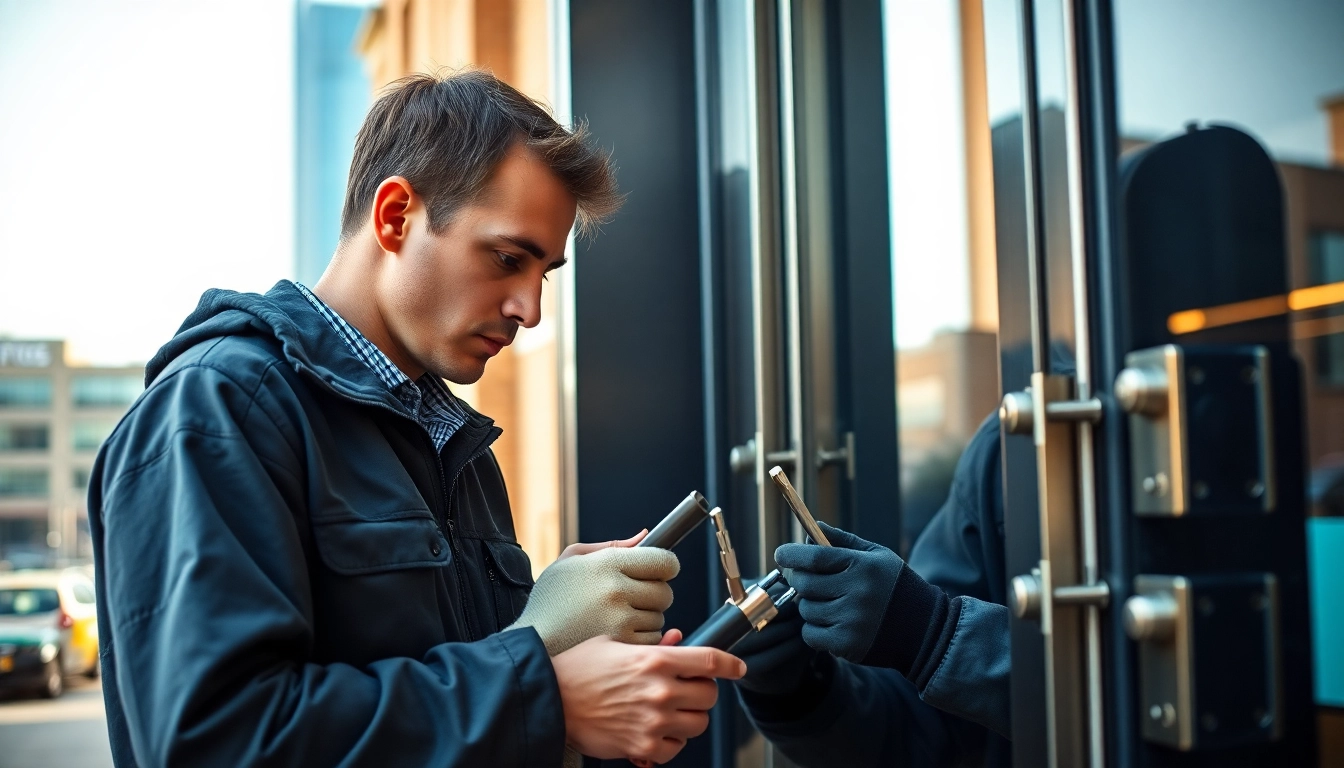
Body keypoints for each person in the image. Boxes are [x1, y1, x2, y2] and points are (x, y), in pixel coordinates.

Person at [88, 69, 744, 768]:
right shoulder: (218, 412)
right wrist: (541, 690)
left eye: (543, 273)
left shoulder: (456, 445)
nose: (531, 309)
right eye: (506, 258)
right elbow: (216, 743)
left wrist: (555, 642)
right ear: (395, 214)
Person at [734, 413, 1012, 767]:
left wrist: (934, 634)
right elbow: (921, 735)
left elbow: (1100, 700)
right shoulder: (1001, 453)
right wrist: (801, 693)